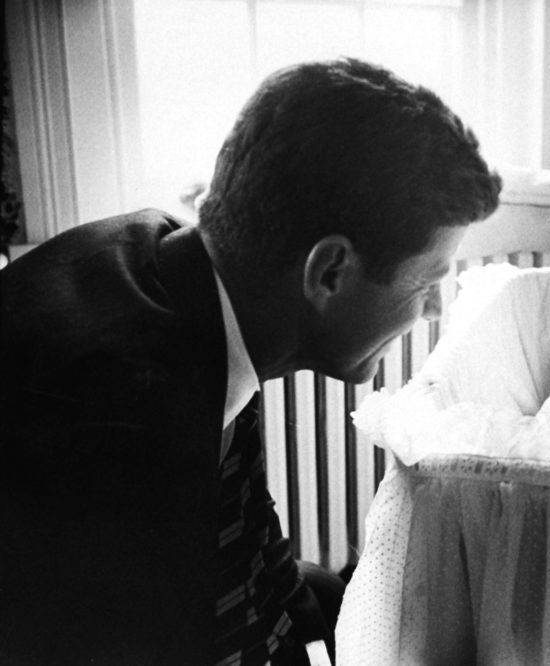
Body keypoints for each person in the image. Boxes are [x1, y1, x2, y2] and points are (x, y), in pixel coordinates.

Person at [0, 58, 501, 665]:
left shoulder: (198, 283)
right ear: (330, 273)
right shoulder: (127, 425)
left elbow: (248, 533)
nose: (433, 311)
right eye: (427, 283)